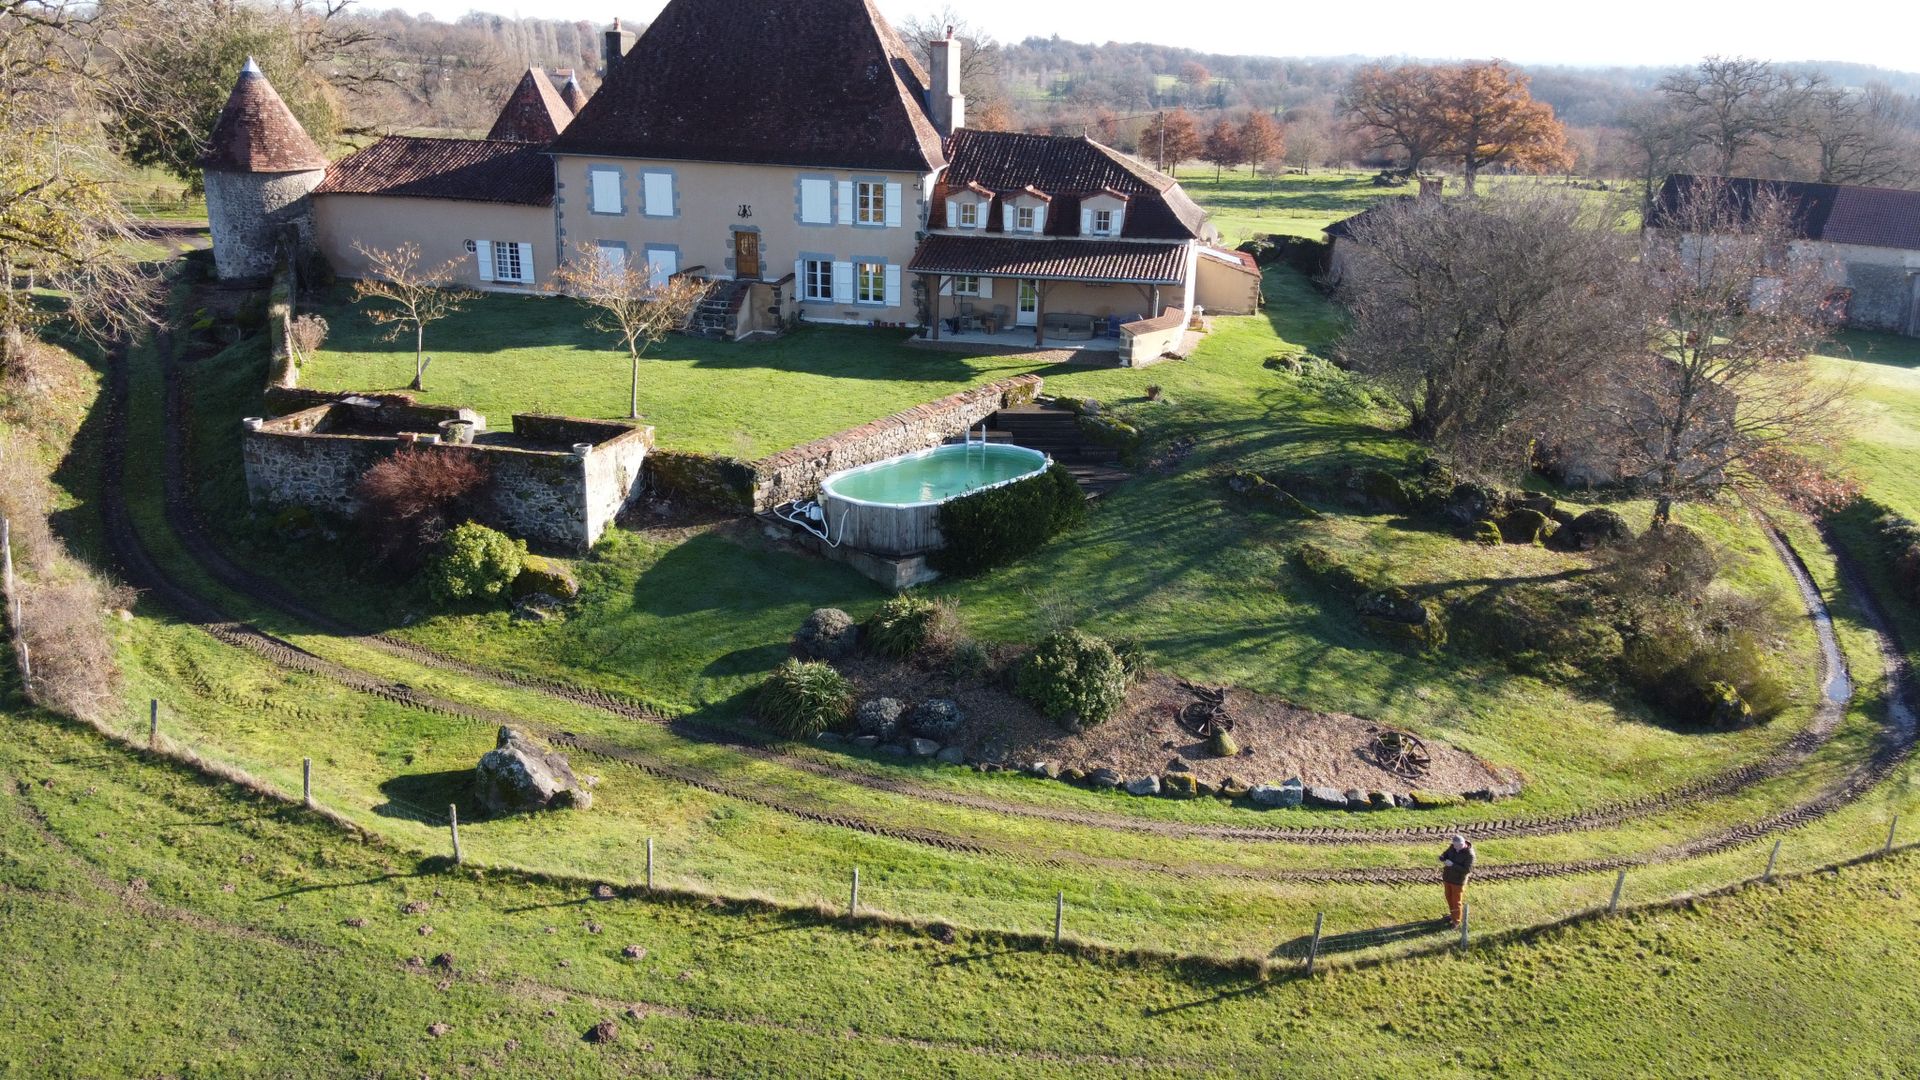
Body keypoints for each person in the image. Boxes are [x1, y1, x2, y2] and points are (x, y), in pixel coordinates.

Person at [1439, 834, 1474, 927]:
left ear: (1463, 843)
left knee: (1456, 901)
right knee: (1449, 897)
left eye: (1458, 846)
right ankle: (1452, 915)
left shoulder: (1469, 854)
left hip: (1458, 882)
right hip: (1448, 878)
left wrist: (1452, 865)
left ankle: (1456, 921)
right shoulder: (1452, 847)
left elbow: (1467, 870)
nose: (1456, 848)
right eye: (1454, 846)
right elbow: (1445, 853)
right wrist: (1442, 857)